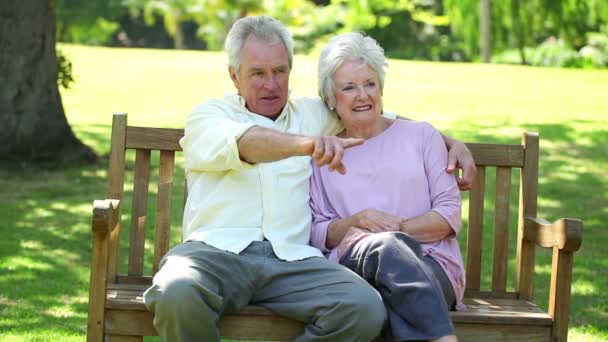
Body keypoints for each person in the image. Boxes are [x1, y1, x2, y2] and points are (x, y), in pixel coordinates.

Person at [143, 16, 474, 342]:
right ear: (234, 76)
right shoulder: (210, 117)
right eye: (257, 73)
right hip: (215, 253)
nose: (270, 84)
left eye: (279, 71)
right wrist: (307, 144)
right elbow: (249, 142)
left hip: (292, 260)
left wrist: (449, 142)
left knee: (363, 308)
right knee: (175, 292)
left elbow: (372, 112)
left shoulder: (312, 114)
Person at [309, 32, 466, 342]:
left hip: (433, 266)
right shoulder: (324, 156)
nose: (363, 95)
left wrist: (398, 229)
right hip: (356, 263)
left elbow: (449, 215)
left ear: (381, 88)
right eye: (349, 88)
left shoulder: (421, 136)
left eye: (370, 84)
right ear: (330, 97)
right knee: (386, 251)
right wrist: (356, 223)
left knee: (386, 291)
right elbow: (317, 231)